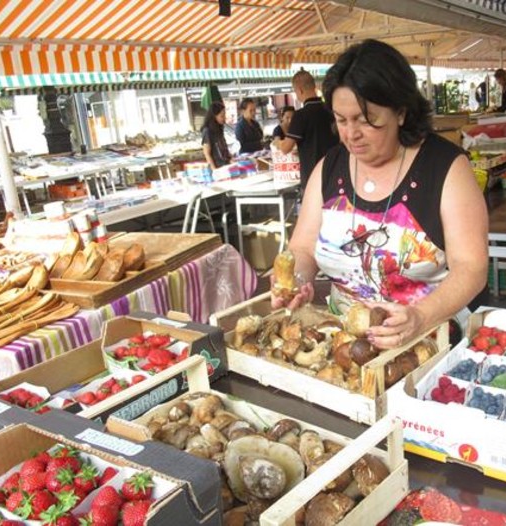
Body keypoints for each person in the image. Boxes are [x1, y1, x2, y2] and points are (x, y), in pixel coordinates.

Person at [271, 39, 488, 350]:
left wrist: (420, 316)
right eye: (342, 120)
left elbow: (471, 267)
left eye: (365, 120)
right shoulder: (329, 168)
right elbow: (303, 249)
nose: (351, 134)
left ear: (400, 112)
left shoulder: (445, 168)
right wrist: (298, 282)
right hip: (343, 345)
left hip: (430, 342)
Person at [273, 70, 339, 189]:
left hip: (312, 175)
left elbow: (286, 148)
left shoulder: (300, 116)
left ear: (300, 90)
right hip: (335, 170)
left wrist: (277, 142)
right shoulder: (331, 110)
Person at [201, 101, 231, 170]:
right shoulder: (207, 131)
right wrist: (214, 170)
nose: (224, 118)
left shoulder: (219, 129)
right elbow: (207, 153)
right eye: (222, 116)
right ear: (214, 116)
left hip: (226, 165)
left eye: (224, 115)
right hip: (218, 167)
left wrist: (230, 158)